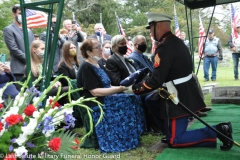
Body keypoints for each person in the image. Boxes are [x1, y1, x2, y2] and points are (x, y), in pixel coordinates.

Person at [132, 12, 233, 151]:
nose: (150, 33)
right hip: (182, 88)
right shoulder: (175, 41)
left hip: (178, 94)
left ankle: (219, 130)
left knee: (175, 141)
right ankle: (169, 133)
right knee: (151, 100)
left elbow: (156, 80)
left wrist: (134, 88)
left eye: (151, 28)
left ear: (158, 25)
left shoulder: (165, 47)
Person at [77, 38, 146, 152]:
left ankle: (132, 136)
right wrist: (119, 89)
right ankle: (122, 139)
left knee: (132, 98)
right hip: (96, 102)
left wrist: (123, 88)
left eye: (100, 46)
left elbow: (107, 86)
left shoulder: (98, 64)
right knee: (126, 102)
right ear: (89, 52)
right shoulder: (86, 67)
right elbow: (95, 91)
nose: (101, 49)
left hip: (105, 97)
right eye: (97, 47)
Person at [3, 4, 34, 89]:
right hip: (19, 71)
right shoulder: (8, 30)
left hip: (32, 70)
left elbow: (34, 47)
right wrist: (30, 60)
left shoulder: (29, 30)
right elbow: (14, 49)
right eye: (20, 13)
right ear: (14, 14)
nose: (22, 15)